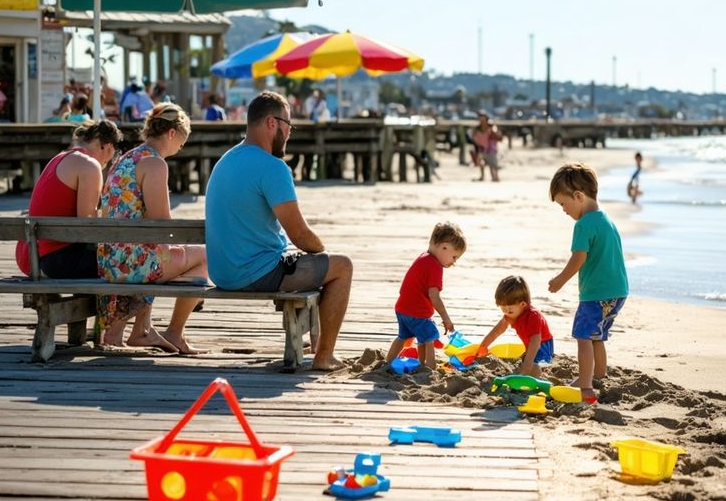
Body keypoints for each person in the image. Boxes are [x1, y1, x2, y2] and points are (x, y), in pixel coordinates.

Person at [205, 91, 354, 370]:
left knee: (307, 262)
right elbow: (300, 235)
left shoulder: (226, 160)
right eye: (288, 125)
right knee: (342, 266)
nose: (289, 133)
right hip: (254, 273)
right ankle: (324, 356)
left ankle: (313, 338)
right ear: (272, 123)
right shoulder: (272, 167)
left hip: (221, 272)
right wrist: (320, 250)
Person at [97, 103, 207, 354]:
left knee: (161, 250)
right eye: (182, 141)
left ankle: (141, 330)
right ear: (171, 133)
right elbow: (162, 224)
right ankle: (174, 333)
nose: (181, 147)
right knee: (205, 255)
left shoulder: (126, 158)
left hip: (110, 259)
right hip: (134, 263)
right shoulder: (155, 164)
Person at [547, 163, 629, 404]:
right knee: (597, 335)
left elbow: (578, 258)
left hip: (596, 294)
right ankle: (598, 374)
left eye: (563, 204)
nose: (563, 210)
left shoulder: (582, 225)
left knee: (583, 336)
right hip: (618, 292)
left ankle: (585, 388)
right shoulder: (606, 220)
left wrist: (560, 280)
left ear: (578, 196)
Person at [15, 120, 122, 278]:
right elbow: (87, 225)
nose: (107, 163)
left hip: (36, 256)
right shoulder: (89, 165)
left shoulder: (60, 157)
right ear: (107, 146)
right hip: (58, 260)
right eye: (109, 158)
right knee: (130, 263)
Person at [384, 222, 466, 369]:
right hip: (416, 313)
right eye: (454, 257)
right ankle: (430, 368)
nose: (454, 262)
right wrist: (446, 319)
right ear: (444, 246)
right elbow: (434, 296)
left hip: (402, 309)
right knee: (430, 336)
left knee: (404, 337)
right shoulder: (434, 266)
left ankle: (389, 363)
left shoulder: (423, 257)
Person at [478, 275, 554, 378]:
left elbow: (535, 341)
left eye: (509, 310)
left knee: (533, 364)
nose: (506, 313)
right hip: (530, 345)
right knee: (525, 361)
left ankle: (535, 379)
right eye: (503, 309)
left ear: (523, 304)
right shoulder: (511, 315)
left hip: (542, 345)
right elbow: (497, 331)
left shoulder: (533, 316)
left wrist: (528, 364)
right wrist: (483, 346)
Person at [472, 112, 502, 181]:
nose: (482, 121)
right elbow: (474, 138)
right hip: (482, 149)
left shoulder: (492, 127)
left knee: (493, 166)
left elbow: (498, 135)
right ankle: (482, 176)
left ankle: (495, 177)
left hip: (491, 149)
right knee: (481, 162)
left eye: (483, 119)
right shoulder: (477, 129)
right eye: (480, 119)